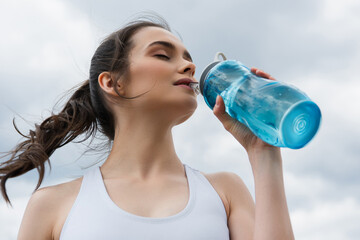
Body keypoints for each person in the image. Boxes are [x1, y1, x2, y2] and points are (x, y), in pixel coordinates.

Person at [0, 16, 294, 239]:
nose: (190, 67)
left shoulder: (225, 191)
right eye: (163, 55)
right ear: (113, 82)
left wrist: (263, 152)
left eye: (189, 59)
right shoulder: (51, 205)